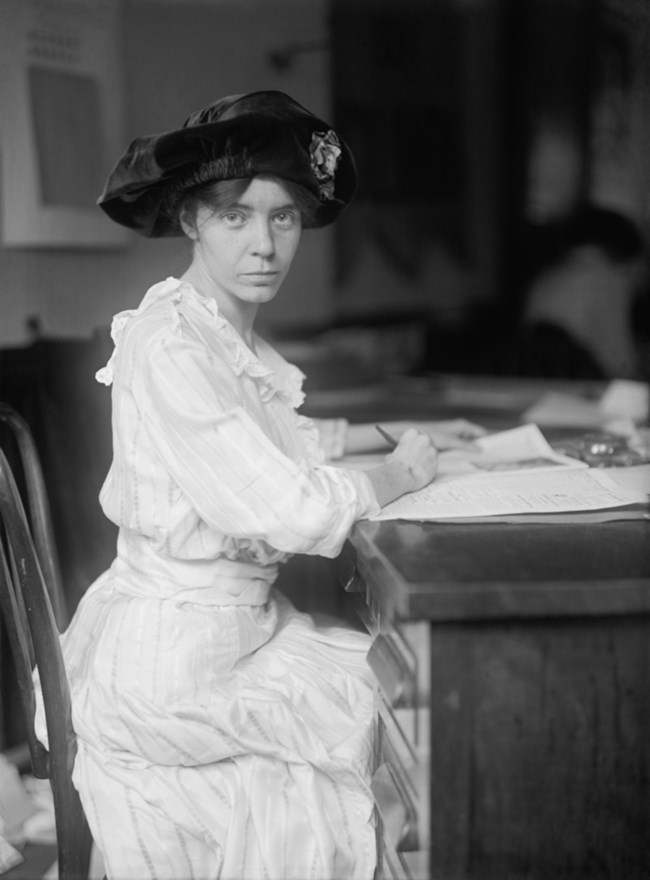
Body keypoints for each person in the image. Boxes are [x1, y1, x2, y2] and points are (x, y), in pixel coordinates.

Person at [34, 90, 482, 880]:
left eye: (283, 218)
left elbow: (281, 453)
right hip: (175, 664)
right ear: (190, 222)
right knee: (389, 709)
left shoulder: (219, 337)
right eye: (236, 216)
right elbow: (285, 506)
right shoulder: (172, 346)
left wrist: (414, 453)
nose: (265, 244)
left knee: (398, 686)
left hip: (238, 633)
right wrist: (395, 475)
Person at [515, 204, 647, 380]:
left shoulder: (547, 276)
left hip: (531, 382)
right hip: (576, 387)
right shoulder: (608, 279)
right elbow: (619, 364)